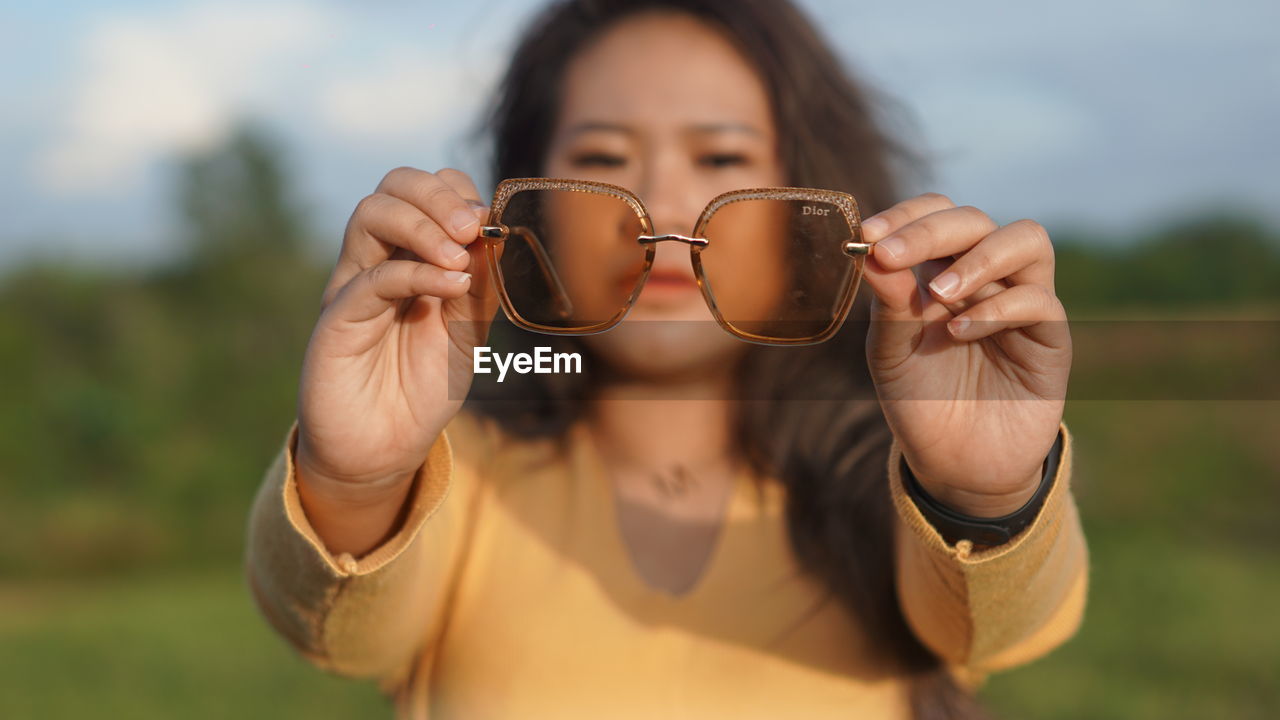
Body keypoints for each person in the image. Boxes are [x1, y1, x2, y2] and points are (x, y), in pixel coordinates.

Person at [244, 0, 1087, 718]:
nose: (658, 209)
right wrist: (356, 476)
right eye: (602, 160)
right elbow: (338, 630)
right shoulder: (454, 473)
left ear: (811, 202)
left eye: (721, 158)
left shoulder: (901, 475)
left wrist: (981, 493)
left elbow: (1007, 624)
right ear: (523, 206)